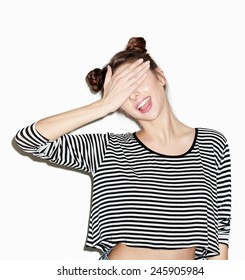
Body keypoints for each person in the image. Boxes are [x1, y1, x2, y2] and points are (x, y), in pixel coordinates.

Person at [14, 37, 231, 260]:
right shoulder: (108, 148)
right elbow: (29, 140)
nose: (134, 95)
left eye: (136, 82)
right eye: (123, 93)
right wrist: (104, 105)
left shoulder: (212, 143)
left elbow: (220, 228)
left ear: (160, 76)